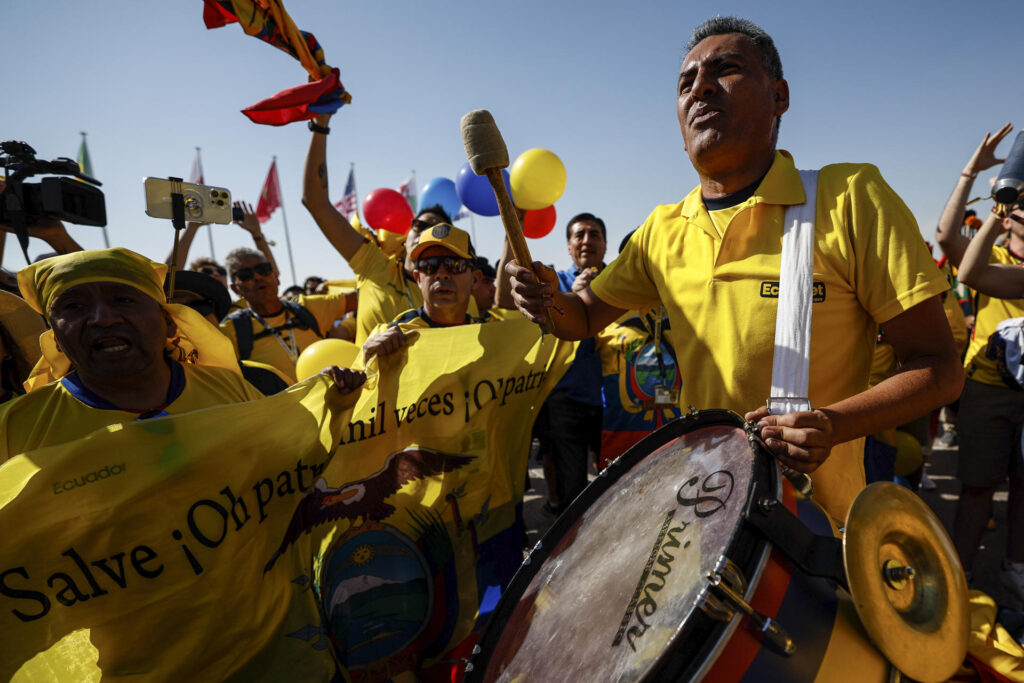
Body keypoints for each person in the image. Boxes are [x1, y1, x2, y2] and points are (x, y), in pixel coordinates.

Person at [507, 16, 963, 522]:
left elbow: (939, 369)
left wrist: (832, 424)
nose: (701, 86)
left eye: (725, 70)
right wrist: (546, 298)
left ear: (780, 96)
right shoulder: (662, 229)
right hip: (703, 518)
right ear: (680, 127)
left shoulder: (850, 199)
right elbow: (581, 317)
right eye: (686, 83)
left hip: (818, 535)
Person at [0, 248, 265, 461]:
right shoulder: (13, 428)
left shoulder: (234, 391)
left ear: (169, 322)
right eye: (74, 306)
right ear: (55, 336)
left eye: (123, 300)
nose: (103, 319)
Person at [936, 122, 1024, 606]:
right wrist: (975, 173)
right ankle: (957, 573)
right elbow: (949, 239)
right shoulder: (991, 255)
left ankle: (1014, 568)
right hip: (988, 389)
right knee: (976, 489)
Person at [302, 113, 479, 344]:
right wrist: (320, 127)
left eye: (437, 230)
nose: (425, 232)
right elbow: (316, 202)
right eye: (420, 225)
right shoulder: (373, 265)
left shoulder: (463, 295)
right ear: (405, 236)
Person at [533, 213, 609, 514]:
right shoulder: (555, 284)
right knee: (573, 491)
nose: (587, 240)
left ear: (605, 245)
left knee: (617, 482)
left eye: (594, 234)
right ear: (568, 246)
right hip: (567, 402)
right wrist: (576, 297)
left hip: (615, 402)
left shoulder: (623, 282)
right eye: (579, 235)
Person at [219, 247, 356, 384]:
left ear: (275, 277)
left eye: (264, 270)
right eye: (245, 275)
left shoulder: (308, 307)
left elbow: (369, 296)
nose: (258, 277)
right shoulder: (230, 332)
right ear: (236, 289)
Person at [362, 223, 482, 360]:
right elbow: (357, 377)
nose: (441, 274)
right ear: (418, 279)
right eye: (429, 265)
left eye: (454, 265)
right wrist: (367, 360)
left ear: (475, 280)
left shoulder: (489, 334)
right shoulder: (391, 337)